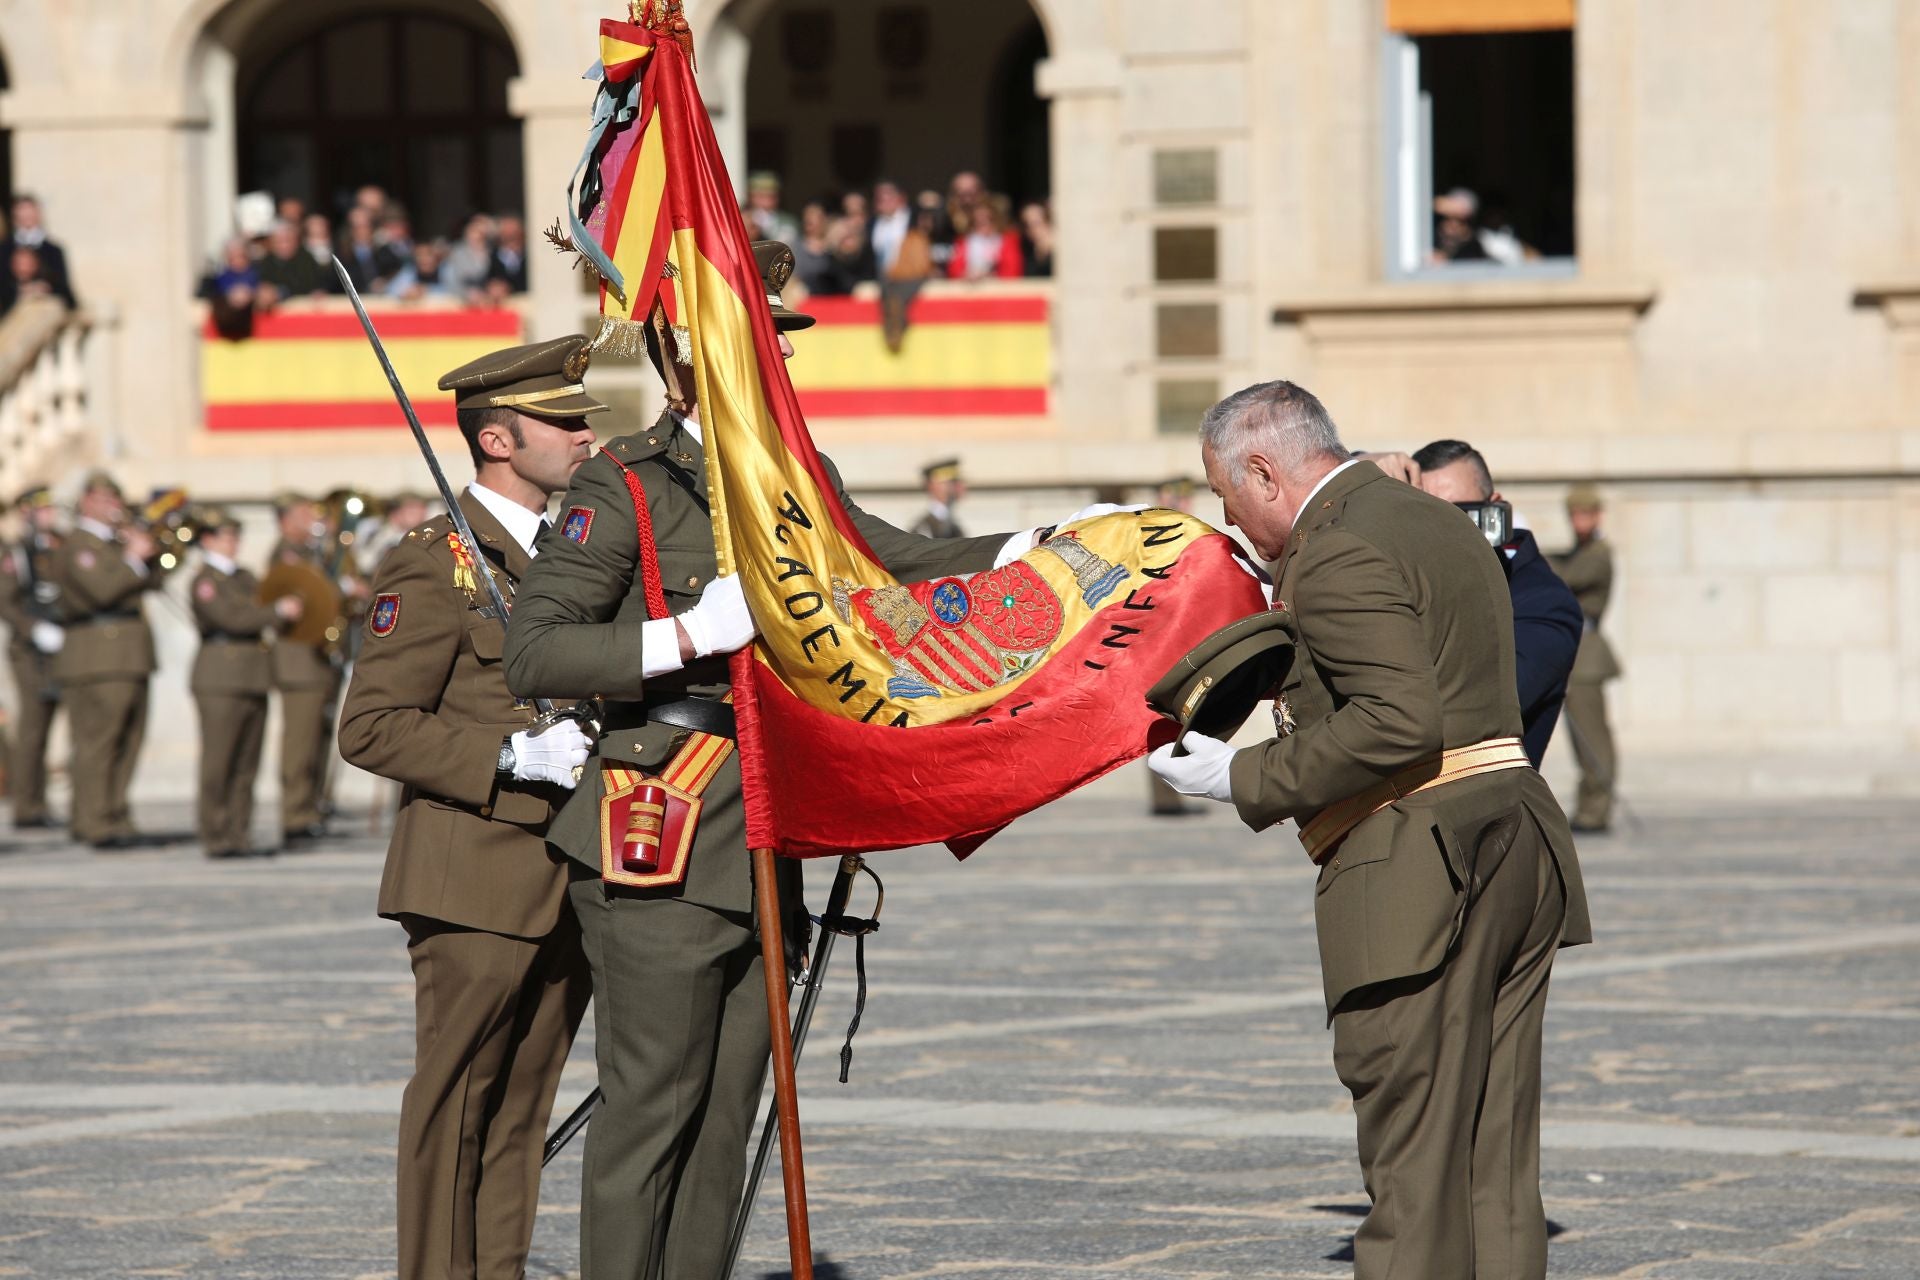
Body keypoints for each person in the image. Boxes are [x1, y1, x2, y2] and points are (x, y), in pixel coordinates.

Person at [502, 241, 1094, 1280]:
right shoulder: (626, 482)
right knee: (653, 1104)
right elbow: (538, 648)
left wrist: (1052, 550)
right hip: (665, 813)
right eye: (761, 336)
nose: (780, 354)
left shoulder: (792, 475)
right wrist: (687, 633)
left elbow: (896, 565)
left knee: (731, 1107)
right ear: (695, 353)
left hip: (769, 816)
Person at [1146, 381, 1591, 1280]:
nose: (1236, 524)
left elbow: (1396, 721)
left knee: (1415, 1167)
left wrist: (1237, 775)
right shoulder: (1431, 519)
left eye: (1232, 499)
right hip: (1517, 839)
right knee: (1494, 1159)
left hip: (1421, 867)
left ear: (1265, 472)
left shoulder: (1335, 548)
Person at [339, 335, 601, 1280]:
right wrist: (505, 752)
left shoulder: (576, 554)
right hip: (473, 874)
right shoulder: (433, 561)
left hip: (568, 869)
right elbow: (370, 728)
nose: (583, 435)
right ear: (498, 439)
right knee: (454, 1108)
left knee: (522, 1115)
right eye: (562, 421)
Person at [1363, 441, 1583, 768]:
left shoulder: (1543, 602)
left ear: (1495, 509)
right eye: (1423, 516)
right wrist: (1362, 468)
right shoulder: (1403, 580)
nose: (1441, 532)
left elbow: (1478, 711)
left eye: (1458, 514)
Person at [50, 473, 160, 850]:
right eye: (105, 498)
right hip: (97, 655)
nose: (114, 505)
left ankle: (115, 813)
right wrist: (132, 558)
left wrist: (150, 551)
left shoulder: (114, 544)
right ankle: (93, 820)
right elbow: (102, 591)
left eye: (116, 497)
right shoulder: (78, 545)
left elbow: (153, 581)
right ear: (86, 501)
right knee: (98, 741)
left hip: (129, 653)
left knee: (129, 738)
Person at [190, 510, 300, 859]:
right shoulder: (205, 580)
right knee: (219, 761)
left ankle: (239, 832)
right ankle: (216, 833)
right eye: (225, 536)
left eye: (235, 536)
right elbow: (231, 618)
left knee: (246, 763)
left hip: (253, 674)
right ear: (207, 540)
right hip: (221, 676)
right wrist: (276, 612)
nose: (232, 543)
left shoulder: (244, 576)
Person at [268, 492, 339, 845]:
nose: (311, 518)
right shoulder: (286, 553)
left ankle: (310, 808)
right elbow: (307, 594)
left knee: (316, 742)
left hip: (317, 660)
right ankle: (293, 816)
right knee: (299, 745)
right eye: (303, 514)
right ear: (285, 519)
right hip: (297, 662)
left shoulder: (311, 551)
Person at [1551, 484, 1621, 832]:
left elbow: (1566, 576)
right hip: (1575, 652)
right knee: (1581, 741)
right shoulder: (1580, 551)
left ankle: (1597, 809)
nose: (1579, 520)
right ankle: (1588, 806)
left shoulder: (1598, 554)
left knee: (1593, 737)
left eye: (1585, 514)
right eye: (1574, 514)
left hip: (1587, 654)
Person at [0, 487, 65, 829]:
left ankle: (40, 800)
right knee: (33, 725)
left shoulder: (57, 545)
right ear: (27, 513)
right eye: (42, 510)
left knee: (52, 721)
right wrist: (33, 628)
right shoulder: (18, 552)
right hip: (29, 650)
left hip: (62, 643)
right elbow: (6, 600)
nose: (49, 514)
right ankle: (27, 805)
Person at [9, 195, 76, 307]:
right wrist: (19, 290)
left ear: (38, 214)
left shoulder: (54, 251)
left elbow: (65, 289)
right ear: (15, 215)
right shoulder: (5, 250)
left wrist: (45, 288)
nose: (27, 216)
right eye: (23, 211)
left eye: (30, 211)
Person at [255, 220, 334, 302]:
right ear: (271, 243)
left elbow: (317, 285)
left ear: (296, 241)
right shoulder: (265, 264)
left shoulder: (307, 260)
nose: (284, 246)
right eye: (279, 241)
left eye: (287, 240)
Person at [946, 195, 1023, 280]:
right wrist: (966, 275)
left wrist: (990, 275)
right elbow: (953, 270)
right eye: (979, 222)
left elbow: (1013, 270)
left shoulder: (1008, 241)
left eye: (988, 220)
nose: (984, 224)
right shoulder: (963, 242)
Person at [910, 458, 967, 538]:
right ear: (931, 486)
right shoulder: (923, 529)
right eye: (949, 483)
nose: (959, 487)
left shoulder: (953, 525)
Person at [743, 171, 800, 246]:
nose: (766, 201)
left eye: (770, 196)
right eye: (760, 196)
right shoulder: (743, 218)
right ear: (750, 197)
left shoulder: (788, 222)